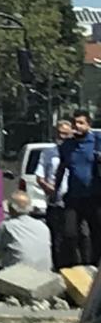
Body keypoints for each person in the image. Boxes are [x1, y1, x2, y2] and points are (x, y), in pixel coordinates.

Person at [0, 192, 53, 300]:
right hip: (43, 280)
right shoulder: (43, 226)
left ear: (11, 209)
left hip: (15, 280)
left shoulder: (7, 226)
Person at [56, 110, 101, 267]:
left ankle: (95, 266)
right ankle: (77, 265)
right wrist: (56, 191)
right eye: (75, 122)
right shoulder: (67, 146)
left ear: (88, 125)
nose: (77, 126)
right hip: (74, 196)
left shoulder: (97, 141)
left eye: (81, 123)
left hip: (94, 196)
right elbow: (62, 168)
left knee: (97, 233)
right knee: (70, 233)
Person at [35, 120, 73, 269]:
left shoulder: (76, 151)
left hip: (73, 201)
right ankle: (57, 268)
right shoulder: (48, 153)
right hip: (54, 202)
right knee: (55, 238)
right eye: (59, 133)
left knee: (72, 236)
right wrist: (47, 187)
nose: (61, 136)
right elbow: (40, 176)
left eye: (65, 134)